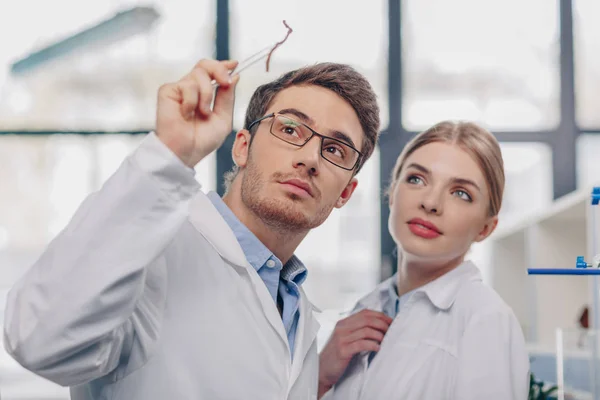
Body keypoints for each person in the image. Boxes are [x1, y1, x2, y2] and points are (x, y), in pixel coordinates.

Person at [2, 58, 384, 399]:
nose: (309, 158)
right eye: (290, 129)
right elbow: (38, 339)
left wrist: (315, 381)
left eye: (335, 150)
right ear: (242, 147)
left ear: (346, 192)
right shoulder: (155, 255)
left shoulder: (294, 305)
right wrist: (167, 156)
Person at [317, 121, 531, 399]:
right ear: (393, 193)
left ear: (485, 228)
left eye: (461, 193)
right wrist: (320, 377)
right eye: (416, 179)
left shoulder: (486, 319)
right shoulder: (368, 307)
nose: (431, 202)